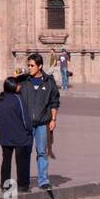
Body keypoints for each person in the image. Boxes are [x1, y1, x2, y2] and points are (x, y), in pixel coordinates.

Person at [22, 53, 60, 190]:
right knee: (25, 152)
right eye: (28, 65)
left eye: (32, 65)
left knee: (42, 152)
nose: (29, 68)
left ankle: (43, 180)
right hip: (26, 124)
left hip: (42, 123)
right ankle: (24, 180)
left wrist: (53, 119)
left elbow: (54, 101)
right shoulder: (24, 81)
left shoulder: (49, 82)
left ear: (40, 66)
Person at [0, 77, 32, 193]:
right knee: (21, 162)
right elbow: (25, 117)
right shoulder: (18, 99)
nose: (20, 86)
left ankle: (5, 185)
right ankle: (22, 186)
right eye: (18, 85)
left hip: (5, 136)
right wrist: (29, 130)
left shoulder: (1, 99)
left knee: (6, 162)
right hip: (19, 135)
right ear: (13, 87)